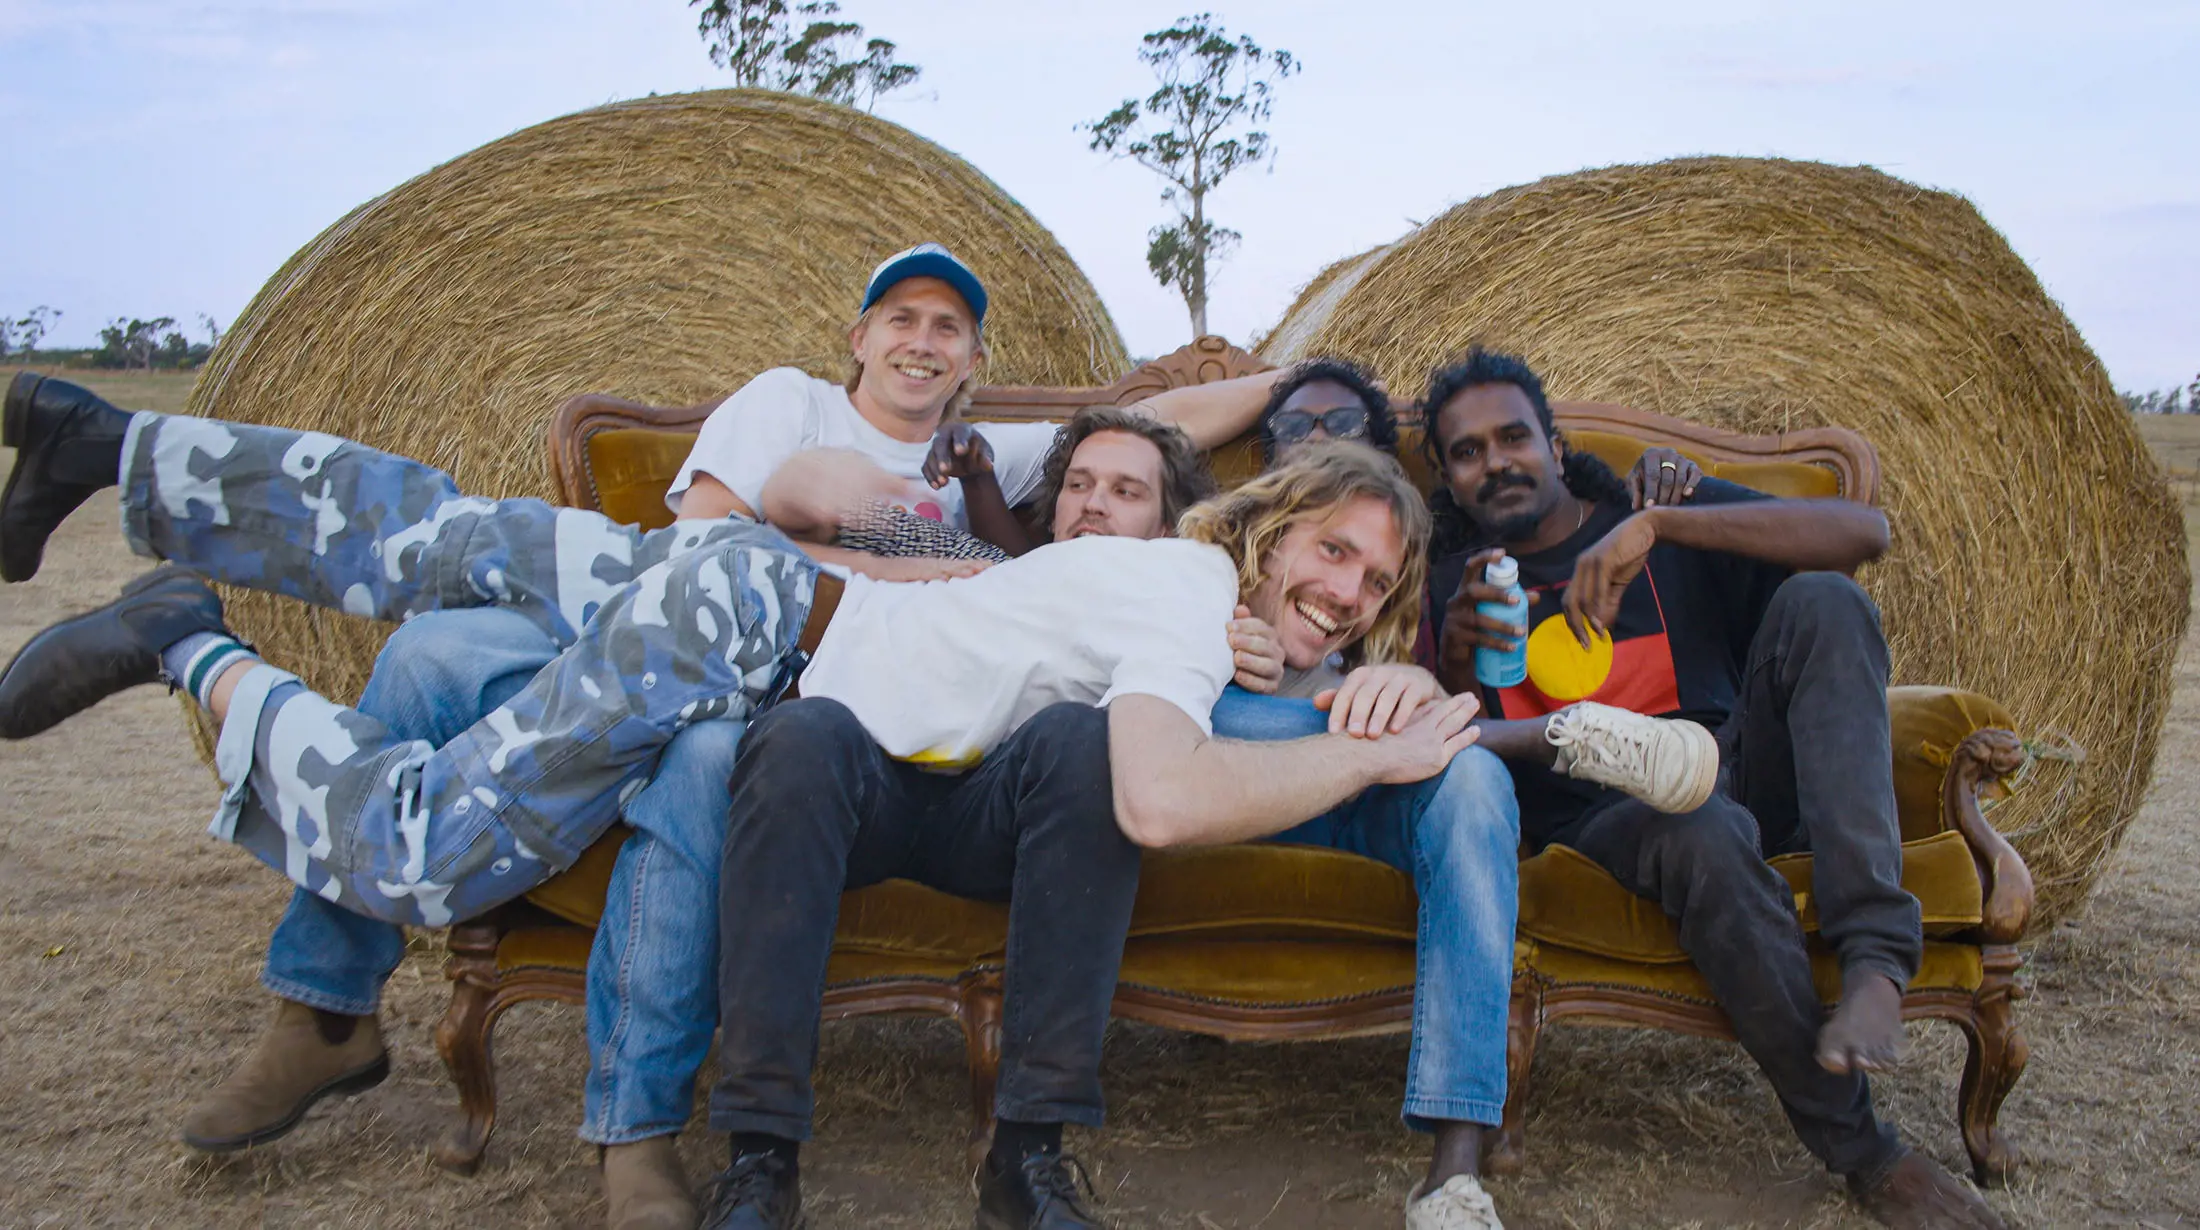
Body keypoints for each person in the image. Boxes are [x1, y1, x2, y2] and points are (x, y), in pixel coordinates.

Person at [746, 412, 1720, 1230]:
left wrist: (1401, 682)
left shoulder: (1336, 656)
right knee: (1347, 734)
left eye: (1375, 583)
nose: (1347, 593)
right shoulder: (1175, 588)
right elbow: (1146, 755)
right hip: (1156, 764)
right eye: (1332, 552)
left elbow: (1350, 690)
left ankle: (1454, 1169)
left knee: (1465, 785)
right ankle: (1537, 738)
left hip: (1298, 771)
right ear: (1270, 529)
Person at [1417, 348, 2006, 1230]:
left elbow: (1862, 537)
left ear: (1554, 441)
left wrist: (1668, 525)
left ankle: (1878, 962)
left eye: (1513, 437)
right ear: (1450, 479)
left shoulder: (1652, 513)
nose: (1495, 461)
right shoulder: (1457, 583)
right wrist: (1455, 649)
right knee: (1694, 827)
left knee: (1825, 604)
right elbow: (1455, 757)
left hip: (1745, 766)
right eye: (1467, 452)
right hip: (1613, 820)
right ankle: (1868, 1155)